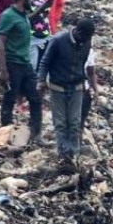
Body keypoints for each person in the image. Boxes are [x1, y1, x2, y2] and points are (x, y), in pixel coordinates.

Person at [37, 18, 95, 168]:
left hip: (76, 86)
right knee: (61, 123)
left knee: (75, 122)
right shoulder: (58, 41)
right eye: (85, 37)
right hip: (58, 87)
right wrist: (41, 81)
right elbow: (45, 62)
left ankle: (74, 154)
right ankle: (64, 154)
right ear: (78, 32)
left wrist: (85, 84)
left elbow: (82, 64)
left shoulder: (86, 42)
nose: (86, 41)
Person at [0, 0, 43, 140]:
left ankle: (35, 133)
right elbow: (0, 41)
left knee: (35, 98)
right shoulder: (8, 16)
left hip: (25, 63)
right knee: (10, 98)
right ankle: (6, 133)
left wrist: (41, 10)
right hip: (13, 63)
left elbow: (25, 21)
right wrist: (3, 69)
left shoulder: (22, 14)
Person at [27, 0, 54, 70]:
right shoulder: (27, 0)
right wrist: (41, 9)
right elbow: (25, 18)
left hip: (45, 38)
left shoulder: (42, 0)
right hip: (32, 39)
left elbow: (43, 18)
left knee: (42, 67)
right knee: (32, 67)